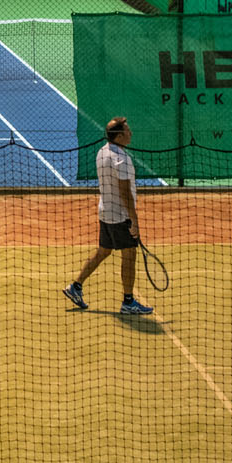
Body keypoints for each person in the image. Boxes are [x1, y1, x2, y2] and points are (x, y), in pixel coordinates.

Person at [63, 116, 153, 315]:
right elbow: (125, 193)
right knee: (129, 255)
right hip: (120, 216)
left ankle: (75, 287)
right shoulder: (121, 159)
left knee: (104, 251)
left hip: (105, 212)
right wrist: (134, 221)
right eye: (128, 131)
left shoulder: (102, 152)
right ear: (120, 136)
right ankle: (128, 302)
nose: (131, 133)